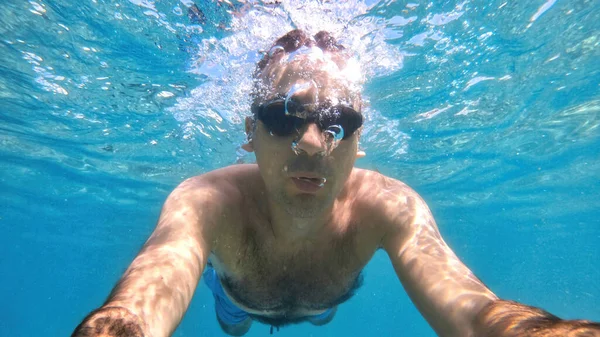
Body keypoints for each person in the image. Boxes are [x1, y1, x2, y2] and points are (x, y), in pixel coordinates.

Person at [72, 30, 600, 337]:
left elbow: (476, 310)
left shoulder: (388, 205)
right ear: (249, 132)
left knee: (318, 316)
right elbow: (135, 311)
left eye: (337, 122)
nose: (310, 143)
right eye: (283, 117)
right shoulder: (206, 201)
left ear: (359, 138)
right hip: (239, 298)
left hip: (325, 304)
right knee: (233, 324)